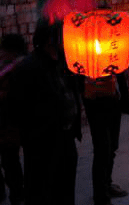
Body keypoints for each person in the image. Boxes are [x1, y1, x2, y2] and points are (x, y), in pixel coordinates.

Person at [9, 20, 82, 205]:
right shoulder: (28, 69)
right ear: (51, 38)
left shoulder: (64, 61)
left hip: (66, 139)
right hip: (42, 145)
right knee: (43, 192)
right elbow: (17, 109)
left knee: (65, 191)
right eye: (62, 34)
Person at [81, 70, 129, 205]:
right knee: (102, 149)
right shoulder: (87, 53)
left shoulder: (112, 51)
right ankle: (101, 196)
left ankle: (107, 185)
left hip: (114, 100)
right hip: (97, 103)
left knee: (112, 147)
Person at [0, 34, 26, 205]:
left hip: (10, 125)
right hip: (11, 125)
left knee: (10, 163)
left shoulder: (15, 69)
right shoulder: (17, 65)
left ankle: (17, 196)